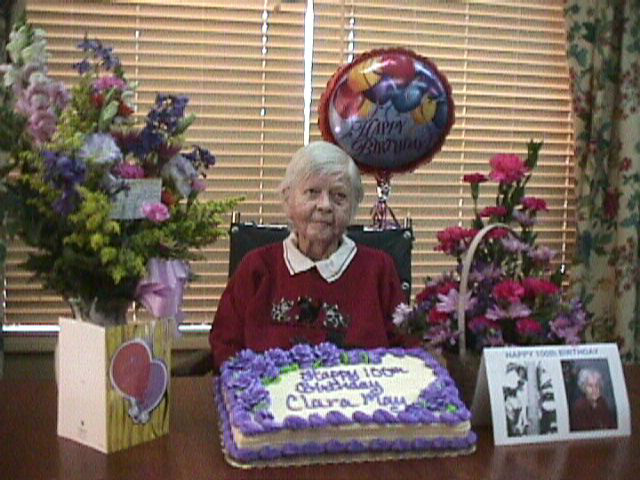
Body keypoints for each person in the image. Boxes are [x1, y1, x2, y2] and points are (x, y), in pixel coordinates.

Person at [209, 141, 405, 370]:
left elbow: (405, 351)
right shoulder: (257, 268)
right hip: (270, 401)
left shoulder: (378, 269)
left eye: (339, 196)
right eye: (312, 192)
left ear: (353, 208)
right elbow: (225, 346)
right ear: (288, 200)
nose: (325, 205)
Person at [569, 367, 617, 431]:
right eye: (590, 386)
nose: (594, 389)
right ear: (584, 388)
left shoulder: (602, 402)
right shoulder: (579, 407)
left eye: (597, 385)